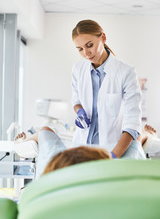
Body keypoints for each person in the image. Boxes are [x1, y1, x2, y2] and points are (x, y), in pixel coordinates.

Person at [72, 19, 143, 159]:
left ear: (103, 38)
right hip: (83, 146)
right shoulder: (78, 69)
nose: (86, 53)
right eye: (80, 49)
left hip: (112, 148)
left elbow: (133, 122)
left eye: (89, 45)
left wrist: (113, 156)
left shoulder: (126, 72)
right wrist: (79, 111)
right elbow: (76, 100)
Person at [14, 124, 160, 178]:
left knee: (44, 131)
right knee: (136, 139)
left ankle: (23, 143)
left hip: (58, 169)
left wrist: (21, 144)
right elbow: (135, 139)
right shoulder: (127, 169)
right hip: (113, 168)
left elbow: (45, 131)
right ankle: (148, 135)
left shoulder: (52, 164)